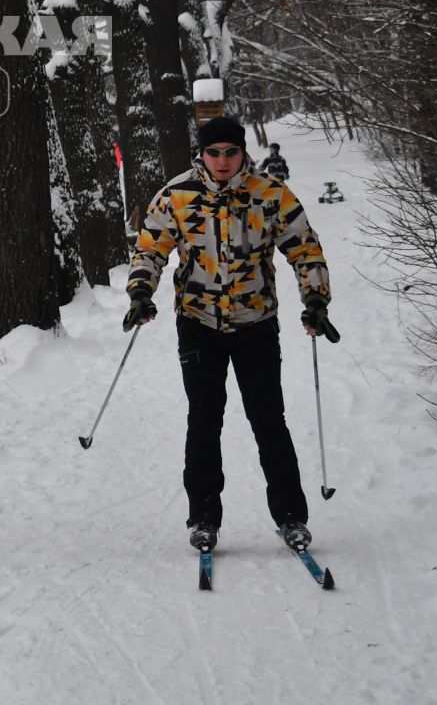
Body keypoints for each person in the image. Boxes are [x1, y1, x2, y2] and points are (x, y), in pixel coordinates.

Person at [123, 116, 336, 554]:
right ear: (201, 154)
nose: (222, 161)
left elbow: (303, 245)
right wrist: (141, 290)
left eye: (230, 152)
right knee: (204, 419)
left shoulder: (269, 193)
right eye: (214, 152)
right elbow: (151, 247)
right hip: (198, 323)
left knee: (268, 419)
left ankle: (291, 516)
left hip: (255, 322)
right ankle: (203, 518)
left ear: (243, 152)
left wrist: (315, 299)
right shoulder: (177, 195)